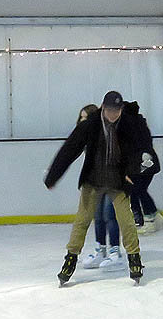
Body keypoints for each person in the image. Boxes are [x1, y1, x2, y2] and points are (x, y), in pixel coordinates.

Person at [44, 91, 152, 286]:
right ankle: (71, 259)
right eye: (110, 110)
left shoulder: (128, 124)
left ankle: (134, 258)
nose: (113, 115)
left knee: (126, 220)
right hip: (93, 180)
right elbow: (70, 148)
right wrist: (53, 176)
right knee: (82, 220)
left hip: (118, 182)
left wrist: (132, 170)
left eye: (117, 111)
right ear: (103, 108)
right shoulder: (91, 124)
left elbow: (139, 148)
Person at [74, 105, 123, 270]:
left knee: (109, 214)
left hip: (113, 180)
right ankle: (101, 249)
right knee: (98, 215)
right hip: (96, 182)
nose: (83, 121)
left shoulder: (106, 133)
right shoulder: (86, 137)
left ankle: (116, 252)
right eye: (81, 118)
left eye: (85, 118)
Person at [123, 101, 163, 235]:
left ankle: (149, 220)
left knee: (138, 190)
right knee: (139, 190)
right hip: (146, 162)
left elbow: (132, 147)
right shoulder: (139, 122)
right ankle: (153, 218)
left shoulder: (131, 125)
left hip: (142, 163)